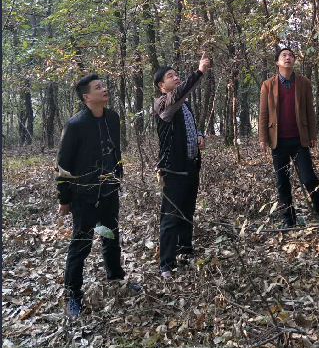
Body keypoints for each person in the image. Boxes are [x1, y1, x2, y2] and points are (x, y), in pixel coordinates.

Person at [56, 74, 141, 318]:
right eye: (98, 87)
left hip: (110, 190)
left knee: (112, 238)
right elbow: (63, 164)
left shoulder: (112, 117)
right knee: (80, 245)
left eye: (103, 85)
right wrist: (64, 199)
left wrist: (118, 176)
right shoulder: (75, 125)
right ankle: (72, 295)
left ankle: (116, 279)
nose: (104, 89)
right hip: (85, 195)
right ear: (86, 97)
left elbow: (115, 151)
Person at [259, 47, 319, 228]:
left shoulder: (303, 83)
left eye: (291, 55)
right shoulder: (268, 85)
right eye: (284, 55)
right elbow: (263, 112)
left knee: (309, 178)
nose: (288, 58)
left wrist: (312, 134)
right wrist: (263, 137)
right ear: (277, 62)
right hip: (278, 141)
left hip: (299, 140)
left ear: (294, 61)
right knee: (282, 182)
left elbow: (310, 110)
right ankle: (288, 219)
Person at [153, 51, 211, 278]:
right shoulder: (163, 103)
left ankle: (185, 250)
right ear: (161, 85)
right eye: (170, 76)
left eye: (176, 74)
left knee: (187, 210)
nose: (176, 78)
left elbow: (190, 126)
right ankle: (166, 265)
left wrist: (200, 135)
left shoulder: (184, 105)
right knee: (170, 215)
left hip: (191, 166)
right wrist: (199, 72)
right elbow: (178, 95)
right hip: (173, 169)